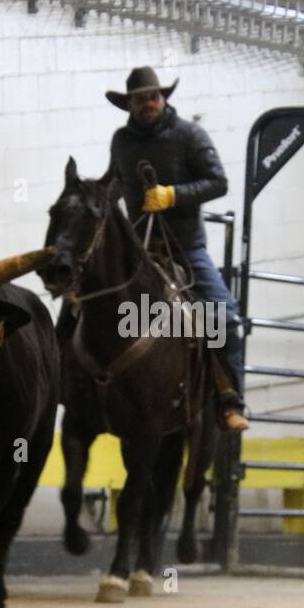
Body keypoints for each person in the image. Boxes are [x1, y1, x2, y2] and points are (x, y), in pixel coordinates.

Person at [105, 66, 249, 432]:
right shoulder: (121, 141)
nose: (147, 104)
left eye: (153, 97)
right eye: (140, 99)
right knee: (87, 299)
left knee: (224, 318)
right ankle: (76, 385)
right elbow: (117, 182)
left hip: (186, 249)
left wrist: (174, 195)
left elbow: (218, 182)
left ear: (163, 98)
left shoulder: (189, 135)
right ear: (130, 105)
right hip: (140, 247)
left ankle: (228, 399)